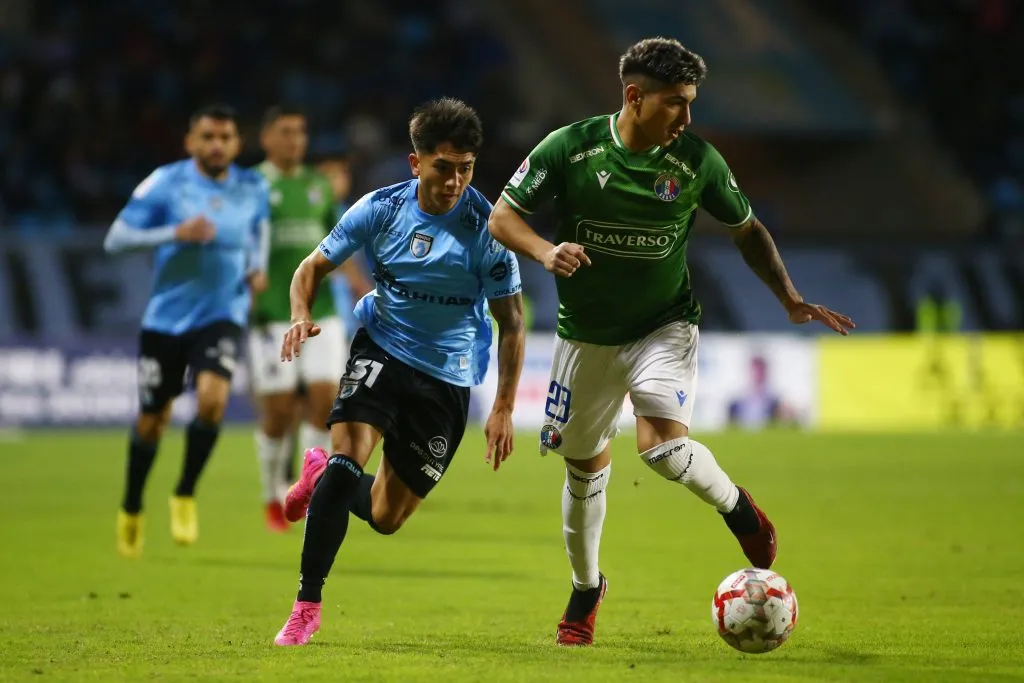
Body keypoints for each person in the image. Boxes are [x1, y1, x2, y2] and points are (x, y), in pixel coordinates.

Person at [488, 37, 855, 646]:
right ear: (634, 97)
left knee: (660, 448)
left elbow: (747, 230)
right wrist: (547, 250)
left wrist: (789, 298)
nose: (687, 118)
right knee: (583, 473)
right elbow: (504, 216)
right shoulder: (571, 148)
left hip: (666, 324)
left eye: (690, 104)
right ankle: (586, 588)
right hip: (586, 337)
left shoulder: (696, 162)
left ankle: (740, 510)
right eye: (675, 104)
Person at [272, 97, 526, 646]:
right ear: (416, 164)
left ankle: (316, 478)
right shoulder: (381, 208)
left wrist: (503, 406)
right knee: (347, 463)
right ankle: (307, 604)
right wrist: (299, 314)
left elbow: (513, 323)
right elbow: (311, 267)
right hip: (382, 347)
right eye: (443, 167)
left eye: (466, 168)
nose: (455, 180)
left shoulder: (489, 229)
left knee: (387, 517)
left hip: (449, 376)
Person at [104, 104, 270, 558]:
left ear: (236, 143)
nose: (217, 145)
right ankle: (132, 503)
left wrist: (256, 267)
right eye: (208, 137)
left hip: (222, 314)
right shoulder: (166, 181)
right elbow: (115, 240)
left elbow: (260, 231)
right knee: (153, 421)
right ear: (190, 142)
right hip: (166, 321)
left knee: (213, 401)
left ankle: (184, 492)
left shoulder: (252, 186)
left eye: (225, 137)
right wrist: (174, 231)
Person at [248, 106, 370, 532]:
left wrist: (360, 285)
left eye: (300, 132)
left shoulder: (318, 186)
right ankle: (269, 493)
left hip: (322, 314)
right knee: (279, 411)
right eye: (285, 132)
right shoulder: (252, 186)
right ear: (266, 138)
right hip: (270, 314)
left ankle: (308, 484)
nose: (295, 140)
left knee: (324, 402)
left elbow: (336, 246)